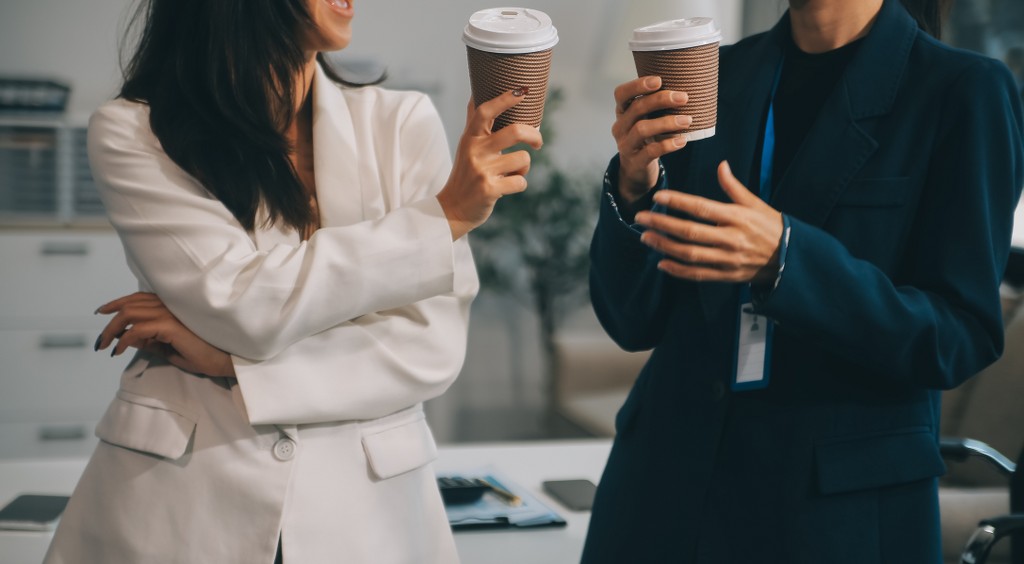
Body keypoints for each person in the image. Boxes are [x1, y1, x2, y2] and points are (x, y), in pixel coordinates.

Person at [43, 0, 542, 563]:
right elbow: (243, 307)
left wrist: (232, 363)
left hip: (368, 512)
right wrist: (442, 217)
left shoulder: (400, 122)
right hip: (183, 502)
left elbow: (431, 346)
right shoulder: (136, 131)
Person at [583, 0, 1024, 562]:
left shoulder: (963, 90)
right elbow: (630, 318)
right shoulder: (712, 75)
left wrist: (787, 259)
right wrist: (632, 186)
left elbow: (959, 335)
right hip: (663, 490)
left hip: (832, 517)